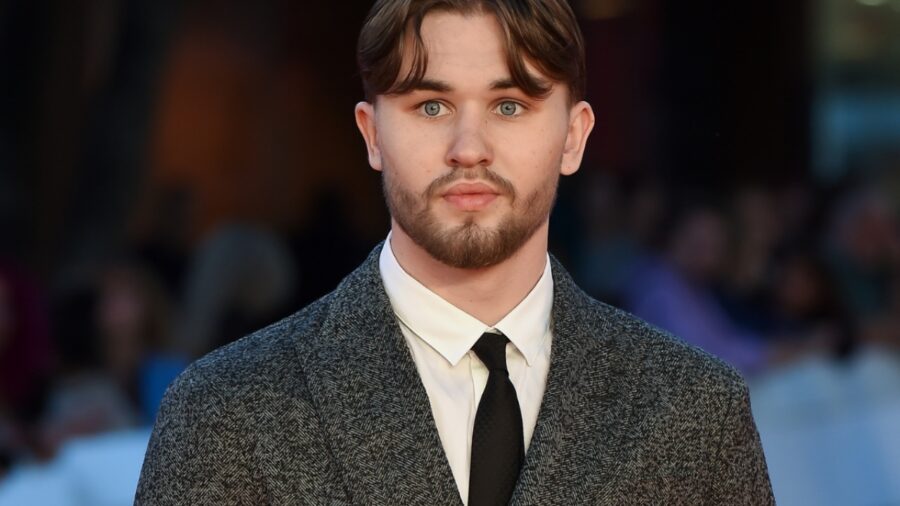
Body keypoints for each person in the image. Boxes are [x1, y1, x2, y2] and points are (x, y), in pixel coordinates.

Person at [135, 0, 774, 504]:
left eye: (510, 105)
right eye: (432, 105)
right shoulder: (226, 412)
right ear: (372, 134)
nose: (469, 148)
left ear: (574, 138)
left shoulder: (696, 411)